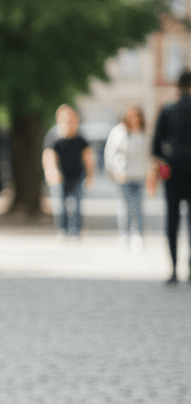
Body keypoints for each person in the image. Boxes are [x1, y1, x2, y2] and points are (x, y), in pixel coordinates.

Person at [151, 69, 191, 284]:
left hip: (173, 172)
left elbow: (155, 146)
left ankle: (174, 268)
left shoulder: (167, 111)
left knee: (172, 220)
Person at [104, 105, 155, 251]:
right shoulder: (118, 132)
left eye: (136, 116)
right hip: (123, 175)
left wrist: (151, 175)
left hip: (139, 175)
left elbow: (149, 155)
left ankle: (137, 235)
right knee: (124, 207)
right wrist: (112, 170)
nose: (134, 119)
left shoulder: (144, 133)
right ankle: (124, 235)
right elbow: (110, 152)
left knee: (138, 206)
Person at [41, 105, 96, 239]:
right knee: (60, 205)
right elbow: (48, 156)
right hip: (60, 176)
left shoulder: (80, 136)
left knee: (77, 205)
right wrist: (51, 171)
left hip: (77, 175)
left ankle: (75, 232)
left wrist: (90, 175)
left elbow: (88, 156)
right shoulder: (54, 136)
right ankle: (62, 230)